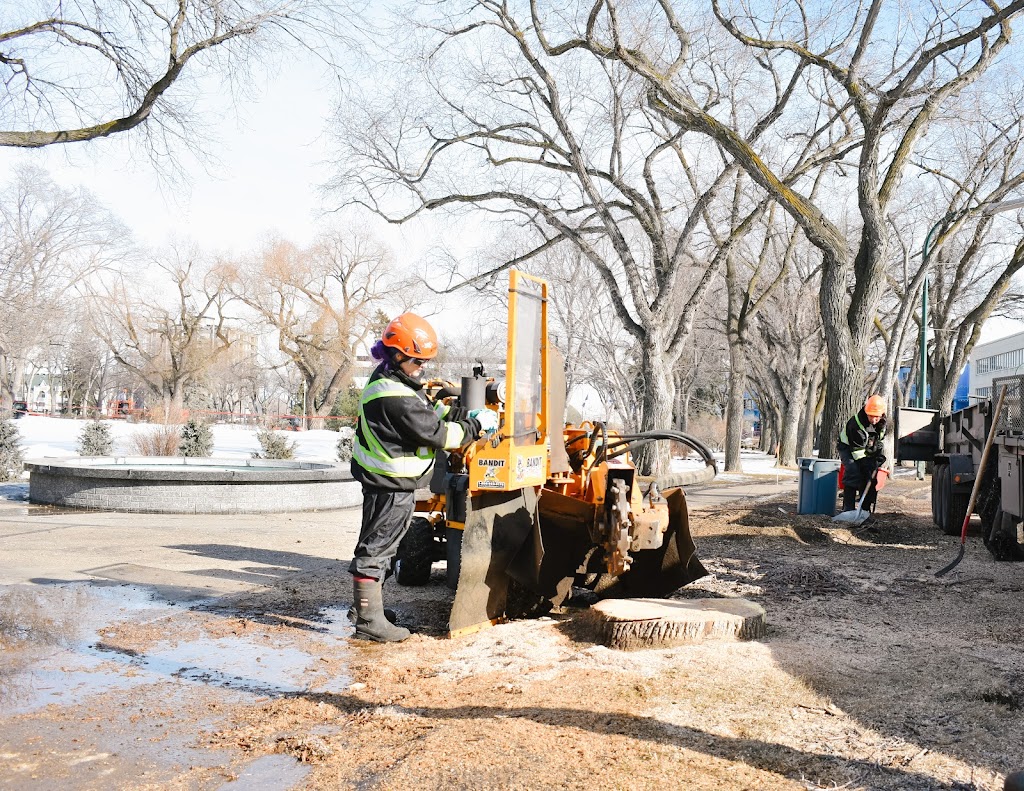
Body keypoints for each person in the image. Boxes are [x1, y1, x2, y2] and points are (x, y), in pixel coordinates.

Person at [349, 312, 498, 642]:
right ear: (398, 355)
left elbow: (430, 410)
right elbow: (438, 434)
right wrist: (476, 426)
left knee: (382, 547)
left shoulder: (395, 382)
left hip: (386, 482)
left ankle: (367, 612)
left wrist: (463, 412)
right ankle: (369, 624)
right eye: (418, 361)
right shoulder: (394, 396)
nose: (423, 368)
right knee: (376, 550)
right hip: (389, 485)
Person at [837, 394, 888, 514]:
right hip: (848, 447)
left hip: (865, 448)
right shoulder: (856, 425)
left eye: (877, 417)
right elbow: (858, 453)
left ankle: (865, 509)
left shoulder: (883, 422)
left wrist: (877, 452)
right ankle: (848, 507)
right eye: (871, 416)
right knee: (853, 471)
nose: (874, 420)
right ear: (866, 412)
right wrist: (868, 465)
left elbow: (879, 439)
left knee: (871, 477)